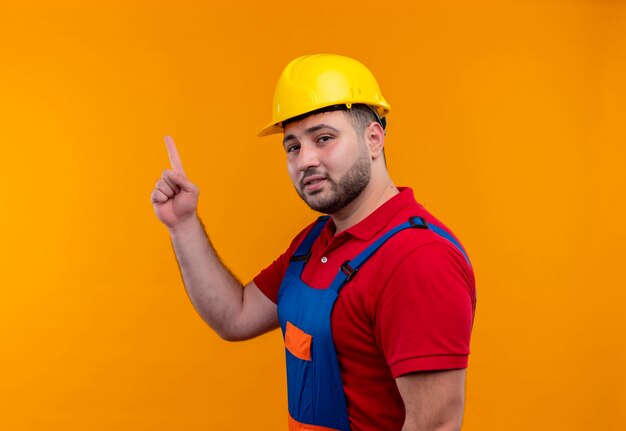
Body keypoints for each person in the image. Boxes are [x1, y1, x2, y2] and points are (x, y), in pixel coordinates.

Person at [151, 54, 477, 431]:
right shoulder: (314, 243)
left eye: (323, 138)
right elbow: (234, 316)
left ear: (373, 139)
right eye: (292, 146)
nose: (304, 160)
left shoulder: (418, 260)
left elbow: (435, 426)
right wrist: (183, 225)